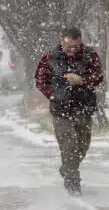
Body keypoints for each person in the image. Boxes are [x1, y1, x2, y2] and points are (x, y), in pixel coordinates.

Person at [35, 27, 103, 196]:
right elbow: (41, 80)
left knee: (82, 146)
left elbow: (98, 77)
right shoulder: (50, 58)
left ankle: (66, 168)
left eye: (76, 46)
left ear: (80, 41)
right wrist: (54, 94)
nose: (72, 50)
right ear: (61, 40)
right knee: (69, 144)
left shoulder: (89, 55)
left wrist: (83, 80)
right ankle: (73, 184)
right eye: (69, 46)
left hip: (83, 107)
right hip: (61, 109)